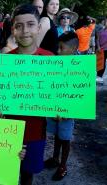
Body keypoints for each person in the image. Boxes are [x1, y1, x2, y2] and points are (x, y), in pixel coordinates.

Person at [5, 4, 53, 185]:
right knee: (7, 173)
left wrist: (59, 111)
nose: (25, 31)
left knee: (27, 176)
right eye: (19, 26)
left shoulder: (50, 60)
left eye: (31, 24)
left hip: (35, 133)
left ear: (39, 28)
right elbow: (1, 100)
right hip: (8, 132)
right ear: (13, 30)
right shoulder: (7, 60)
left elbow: (56, 98)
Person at [44, 32, 79, 181]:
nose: (58, 51)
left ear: (72, 49)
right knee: (57, 135)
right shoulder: (56, 63)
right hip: (54, 108)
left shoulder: (79, 68)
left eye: (61, 48)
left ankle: (63, 166)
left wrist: (69, 112)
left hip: (67, 113)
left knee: (65, 138)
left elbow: (81, 94)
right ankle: (55, 158)